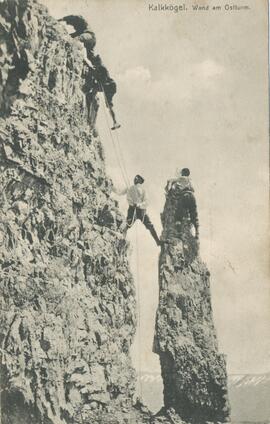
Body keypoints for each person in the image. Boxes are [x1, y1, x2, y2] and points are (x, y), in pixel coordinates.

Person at [113, 175, 161, 246]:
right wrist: (112, 187)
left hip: (140, 211)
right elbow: (119, 192)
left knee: (146, 225)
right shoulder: (130, 188)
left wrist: (138, 204)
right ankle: (122, 239)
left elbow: (146, 201)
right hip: (134, 210)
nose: (135, 179)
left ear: (140, 181)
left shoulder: (142, 189)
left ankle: (157, 241)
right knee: (128, 224)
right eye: (135, 178)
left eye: (137, 178)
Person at [167, 168, 199, 239]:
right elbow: (193, 189)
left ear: (183, 173)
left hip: (184, 195)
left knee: (178, 214)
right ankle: (197, 232)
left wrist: (169, 188)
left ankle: (179, 233)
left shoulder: (180, 178)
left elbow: (170, 180)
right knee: (193, 214)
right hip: (192, 196)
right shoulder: (190, 180)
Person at [91, 54, 120, 130]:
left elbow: (103, 80)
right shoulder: (100, 68)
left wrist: (95, 79)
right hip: (110, 86)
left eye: (96, 63)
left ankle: (115, 121)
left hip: (109, 86)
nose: (95, 65)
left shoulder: (102, 68)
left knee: (94, 89)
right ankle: (115, 122)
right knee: (109, 105)